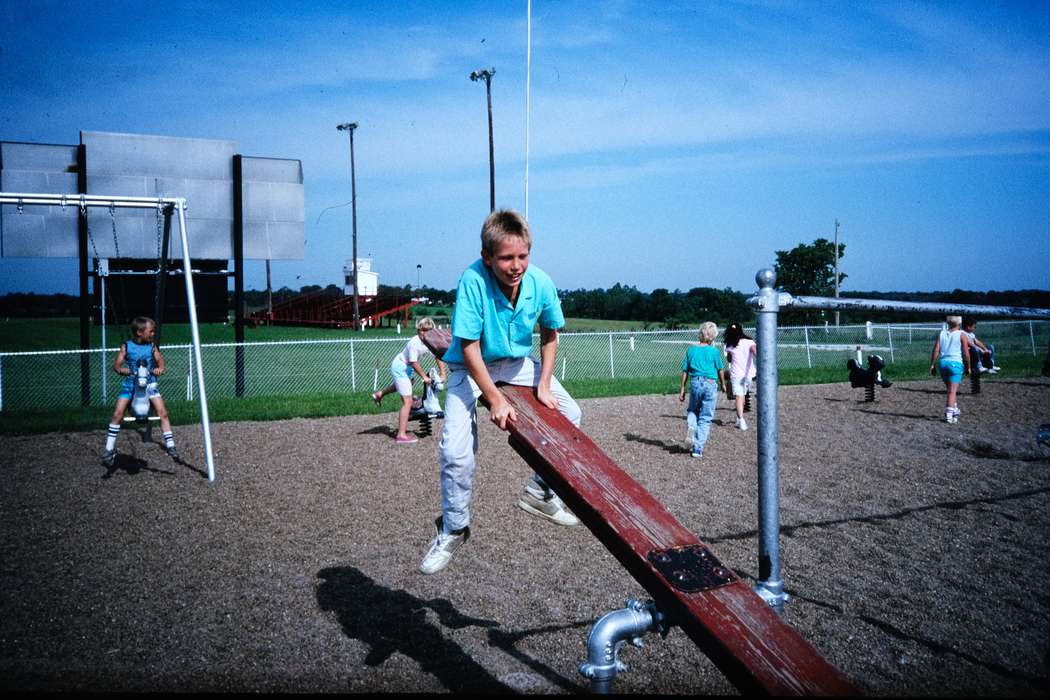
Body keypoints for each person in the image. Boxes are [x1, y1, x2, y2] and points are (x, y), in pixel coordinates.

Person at [419, 209, 581, 575]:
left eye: (523, 256)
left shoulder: (540, 282)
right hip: (469, 364)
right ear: (487, 256)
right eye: (506, 257)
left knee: (571, 414)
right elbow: (469, 346)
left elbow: (550, 333)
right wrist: (495, 399)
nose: (516, 266)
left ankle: (539, 492)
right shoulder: (473, 280)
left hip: (514, 362)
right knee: (456, 452)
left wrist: (544, 382)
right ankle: (453, 528)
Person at [101, 316, 178, 466]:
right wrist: (121, 369)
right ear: (139, 332)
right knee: (118, 413)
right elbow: (117, 364)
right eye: (151, 331)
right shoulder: (126, 346)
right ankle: (109, 449)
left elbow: (160, 360)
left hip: (149, 385)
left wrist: (160, 368)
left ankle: (170, 445)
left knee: (162, 412)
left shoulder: (151, 347)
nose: (153, 334)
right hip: (131, 385)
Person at [372, 316, 448, 444]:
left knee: (409, 384)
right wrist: (424, 377)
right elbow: (413, 362)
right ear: (418, 330)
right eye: (421, 330)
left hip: (407, 367)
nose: (423, 333)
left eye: (427, 331)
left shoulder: (430, 341)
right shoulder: (415, 343)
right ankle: (401, 435)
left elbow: (437, 355)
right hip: (401, 367)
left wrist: (443, 373)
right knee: (407, 402)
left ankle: (380, 394)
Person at [679, 321, 726, 459]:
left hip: (695, 382)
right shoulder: (714, 352)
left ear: (700, 334)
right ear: (713, 337)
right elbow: (720, 370)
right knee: (705, 417)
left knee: (693, 409)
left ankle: (691, 426)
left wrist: (682, 389)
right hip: (710, 384)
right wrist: (723, 384)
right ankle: (697, 448)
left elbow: (685, 371)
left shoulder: (691, 350)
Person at [930, 315, 971, 424]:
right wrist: (968, 366)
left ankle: (955, 409)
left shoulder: (942, 333)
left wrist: (932, 365)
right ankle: (949, 415)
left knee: (950, 390)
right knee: (952, 391)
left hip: (943, 364)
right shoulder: (962, 334)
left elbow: (936, 350)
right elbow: (966, 353)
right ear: (960, 323)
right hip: (955, 364)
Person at [723, 322, 756, 431]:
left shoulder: (730, 345)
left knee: (739, 396)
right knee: (742, 395)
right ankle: (739, 418)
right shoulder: (750, 342)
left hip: (737, 374)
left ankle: (741, 419)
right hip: (749, 374)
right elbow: (756, 352)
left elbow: (729, 359)